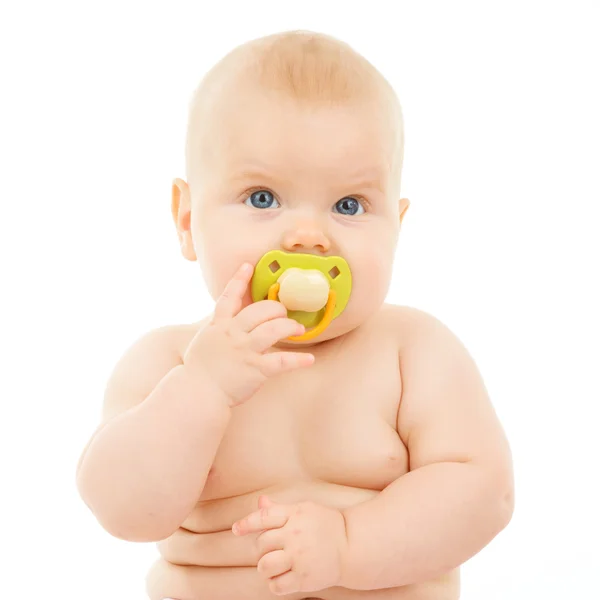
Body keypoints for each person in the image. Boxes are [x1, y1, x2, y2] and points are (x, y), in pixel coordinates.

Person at [76, 30, 514, 600]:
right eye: (262, 197)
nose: (309, 237)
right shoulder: (166, 362)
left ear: (396, 229)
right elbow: (121, 510)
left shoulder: (414, 353)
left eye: (349, 205)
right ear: (188, 221)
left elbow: (485, 492)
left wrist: (349, 546)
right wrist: (200, 389)